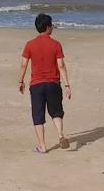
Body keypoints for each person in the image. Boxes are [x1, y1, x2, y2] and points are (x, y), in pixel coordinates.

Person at [18, 12, 71, 154]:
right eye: (52, 25)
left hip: (36, 85)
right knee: (56, 111)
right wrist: (67, 85)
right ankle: (60, 135)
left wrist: (21, 81)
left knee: (38, 115)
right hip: (53, 83)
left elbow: (24, 64)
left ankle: (42, 146)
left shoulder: (29, 45)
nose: (52, 27)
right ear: (48, 27)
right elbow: (61, 65)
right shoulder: (56, 45)